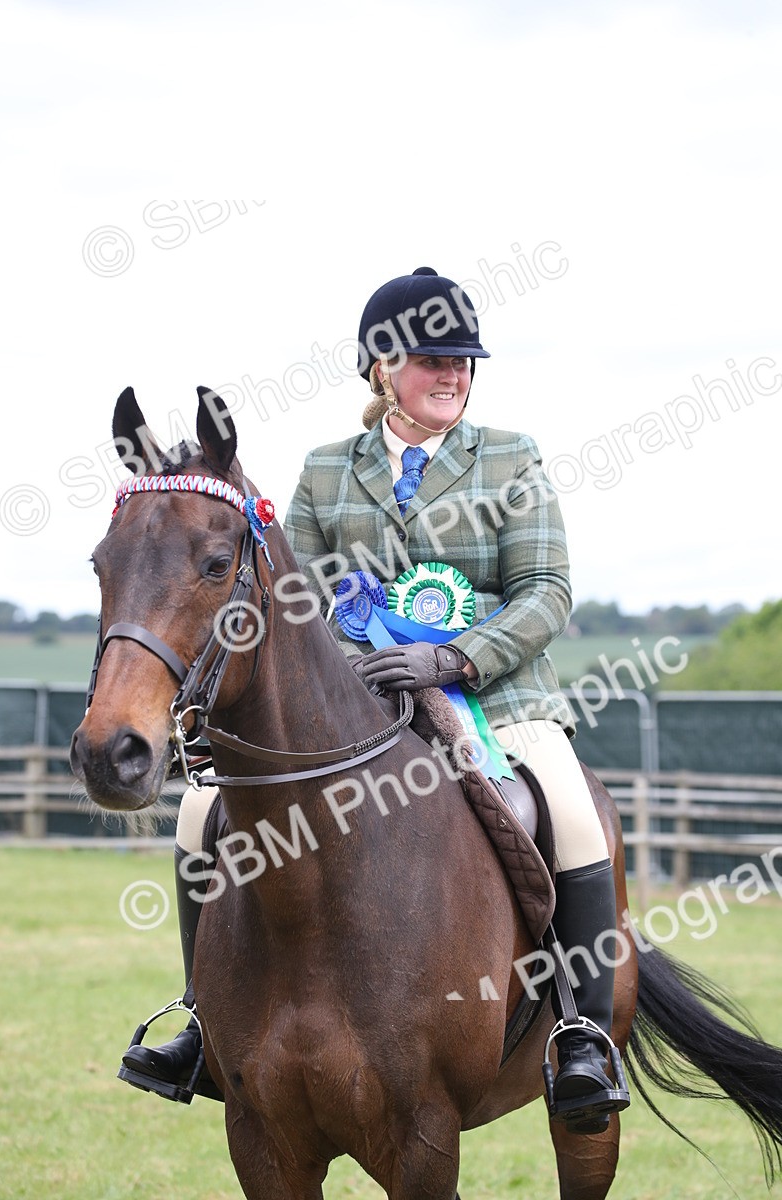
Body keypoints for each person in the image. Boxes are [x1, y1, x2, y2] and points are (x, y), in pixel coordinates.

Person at [120, 265, 630, 1134]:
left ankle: (581, 1031)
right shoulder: (326, 472)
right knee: (200, 812)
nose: (454, 373)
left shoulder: (511, 457)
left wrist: (455, 657)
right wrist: (363, 666)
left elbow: (545, 591)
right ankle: (204, 1022)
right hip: (357, 702)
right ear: (380, 369)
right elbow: (300, 606)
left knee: (573, 813)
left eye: (464, 359)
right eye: (433, 359)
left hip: (497, 697)